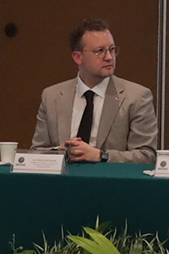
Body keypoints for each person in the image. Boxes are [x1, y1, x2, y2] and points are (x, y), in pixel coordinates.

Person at [29, 18, 158, 164]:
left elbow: (147, 156)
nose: (109, 57)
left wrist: (101, 155)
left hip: (109, 178)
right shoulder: (52, 96)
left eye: (112, 50)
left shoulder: (136, 97)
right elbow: (36, 152)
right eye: (100, 51)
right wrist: (60, 152)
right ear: (78, 57)